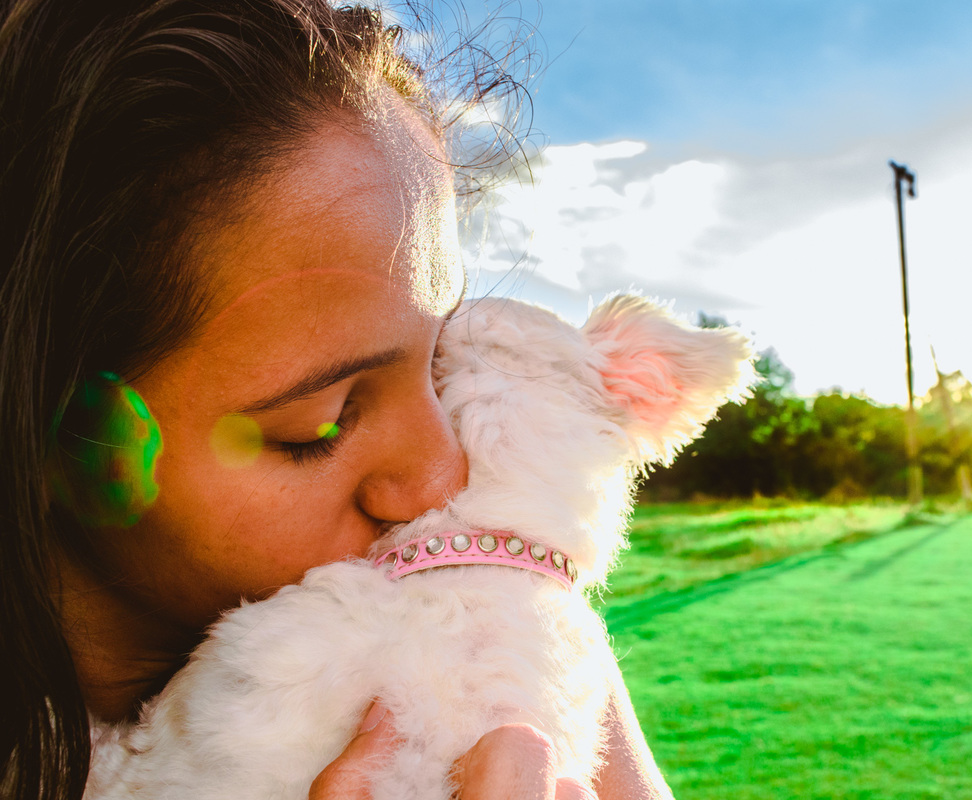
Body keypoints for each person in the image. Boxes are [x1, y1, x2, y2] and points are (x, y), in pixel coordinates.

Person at [0, 1, 673, 798]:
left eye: (439, 364)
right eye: (317, 428)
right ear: (62, 445)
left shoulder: (519, 654)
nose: (443, 474)